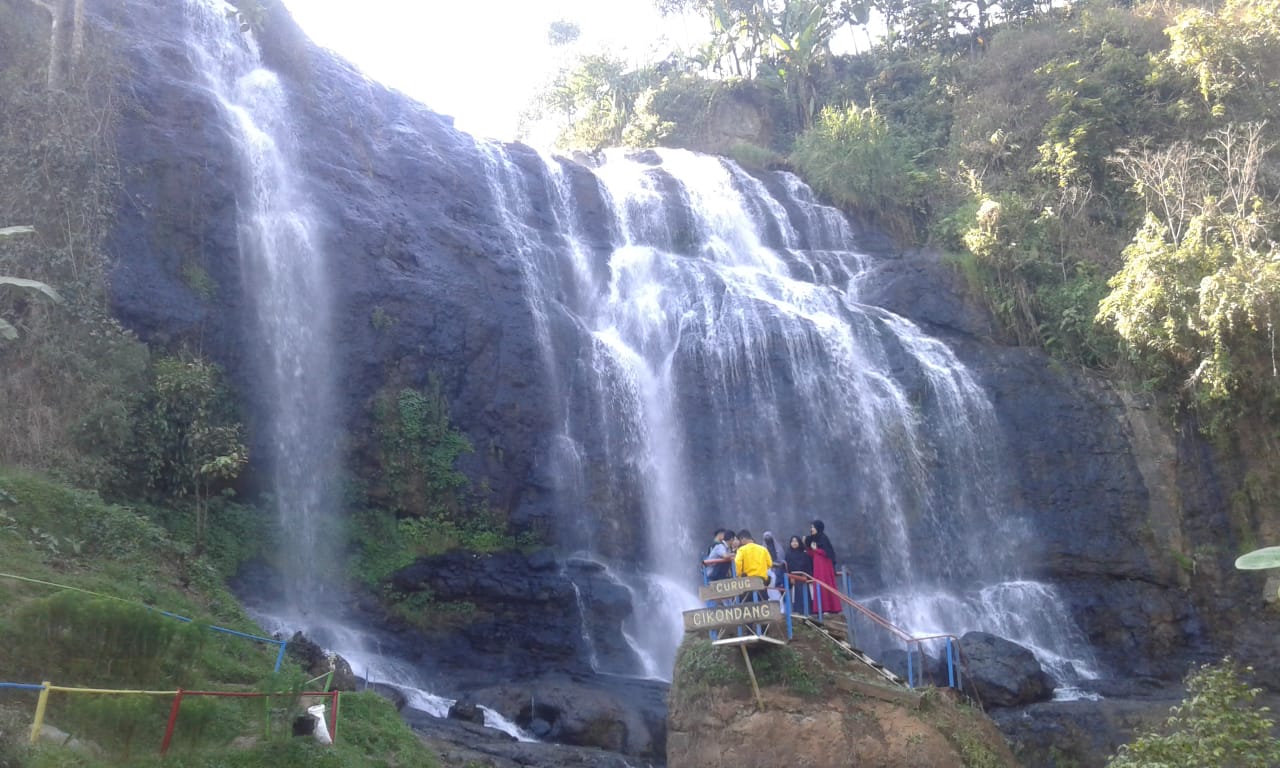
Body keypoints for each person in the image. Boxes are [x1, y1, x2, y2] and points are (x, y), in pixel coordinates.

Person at [805, 520, 842, 619]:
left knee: (825, 584)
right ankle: (822, 608)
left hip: (825, 567)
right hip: (818, 566)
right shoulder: (813, 540)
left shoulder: (823, 538)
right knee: (819, 585)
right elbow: (812, 554)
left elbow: (827, 552)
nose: (811, 529)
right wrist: (808, 547)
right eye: (811, 527)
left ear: (818, 528)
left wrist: (816, 549)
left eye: (813, 527)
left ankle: (830, 608)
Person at [733, 529, 773, 603]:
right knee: (762, 604)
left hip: (748, 582)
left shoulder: (741, 550)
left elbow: (737, 562)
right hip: (762, 581)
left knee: (747, 605)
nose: (740, 543)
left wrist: (739, 574)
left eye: (740, 540)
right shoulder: (763, 549)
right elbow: (770, 564)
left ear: (743, 539)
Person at [783, 534, 811, 611]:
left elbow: (808, 566)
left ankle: (807, 611)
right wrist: (790, 576)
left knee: (805, 595)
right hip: (793, 579)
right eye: (792, 541)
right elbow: (787, 567)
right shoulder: (788, 554)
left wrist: (806, 576)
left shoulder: (804, 554)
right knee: (796, 596)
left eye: (796, 541)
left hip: (803, 577)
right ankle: (797, 611)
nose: (794, 543)